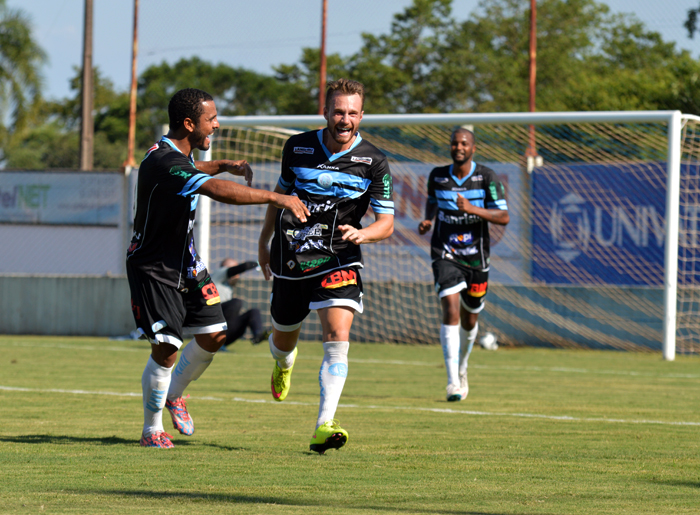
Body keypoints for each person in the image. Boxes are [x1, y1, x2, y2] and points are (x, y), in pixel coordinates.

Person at [126, 88, 309, 448]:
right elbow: (216, 190)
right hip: (154, 268)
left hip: (187, 264)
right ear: (189, 123)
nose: (217, 124)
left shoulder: (175, 157)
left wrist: (224, 163)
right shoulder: (162, 162)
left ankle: (175, 395)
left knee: (214, 335)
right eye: (211, 119)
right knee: (167, 349)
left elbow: (194, 169)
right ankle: (152, 430)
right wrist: (278, 197)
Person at [258, 78, 394, 454]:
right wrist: (264, 240)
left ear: (362, 115)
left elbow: (387, 223)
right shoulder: (297, 147)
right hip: (291, 257)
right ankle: (284, 363)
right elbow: (279, 197)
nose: (345, 119)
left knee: (337, 338)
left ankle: (324, 424)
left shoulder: (374, 162)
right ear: (325, 112)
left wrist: (364, 236)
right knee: (283, 339)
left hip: (339, 257)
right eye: (338, 111)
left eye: (352, 112)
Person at [417, 127, 509, 402]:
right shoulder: (438, 175)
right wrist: (429, 220)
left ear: (473, 148)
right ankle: (452, 382)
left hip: (477, 257)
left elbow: (503, 216)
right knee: (451, 307)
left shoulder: (487, 177)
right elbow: (432, 202)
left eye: (464, 143)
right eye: (455, 143)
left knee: (471, 320)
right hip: (445, 252)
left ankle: (463, 366)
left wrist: (473, 210)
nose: (459, 147)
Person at [210, 258, 271, 349]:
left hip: (225, 328)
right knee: (236, 303)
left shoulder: (227, 286)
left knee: (253, 312)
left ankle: (258, 335)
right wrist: (258, 263)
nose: (238, 275)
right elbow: (241, 267)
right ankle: (215, 340)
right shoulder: (218, 274)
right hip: (212, 322)